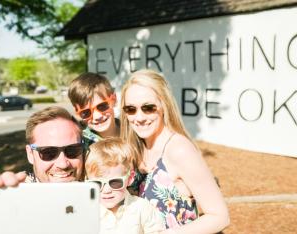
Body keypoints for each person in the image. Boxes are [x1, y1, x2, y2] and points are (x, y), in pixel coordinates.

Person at [120, 69, 230, 233]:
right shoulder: (135, 149)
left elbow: (219, 217)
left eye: (148, 108)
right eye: (131, 109)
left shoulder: (179, 150)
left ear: (164, 105)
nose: (139, 117)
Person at [0, 106, 85, 234]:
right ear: (30, 154)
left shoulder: (103, 197)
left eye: (73, 150)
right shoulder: (8, 209)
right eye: (48, 152)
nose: (63, 164)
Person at [85, 137, 165, 234]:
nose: (106, 191)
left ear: (130, 178)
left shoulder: (142, 208)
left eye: (115, 182)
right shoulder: (86, 212)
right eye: (97, 184)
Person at [68, 72, 119, 147]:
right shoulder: (80, 147)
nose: (97, 117)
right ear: (78, 113)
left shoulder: (134, 132)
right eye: (86, 112)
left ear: (114, 100)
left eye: (102, 106)